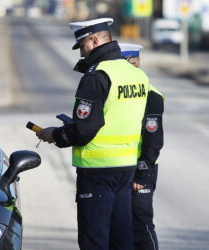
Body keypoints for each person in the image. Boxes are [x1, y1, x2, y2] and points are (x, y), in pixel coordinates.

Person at [36, 18, 150, 249]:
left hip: (97, 171)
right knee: (122, 238)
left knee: (94, 240)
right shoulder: (136, 75)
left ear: (94, 40)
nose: (82, 54)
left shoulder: (97, 75)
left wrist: (55, 135)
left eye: (83, 46)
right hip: (126, 167)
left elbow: (84, 129)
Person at [120, 43, 164, 250]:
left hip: (140, 168)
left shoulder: (150, 94)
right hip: (120, 165)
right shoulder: (122, 90)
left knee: (141, 224)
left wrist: (142, 173)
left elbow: (154, 139)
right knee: (120, 226)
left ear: (135, 63)